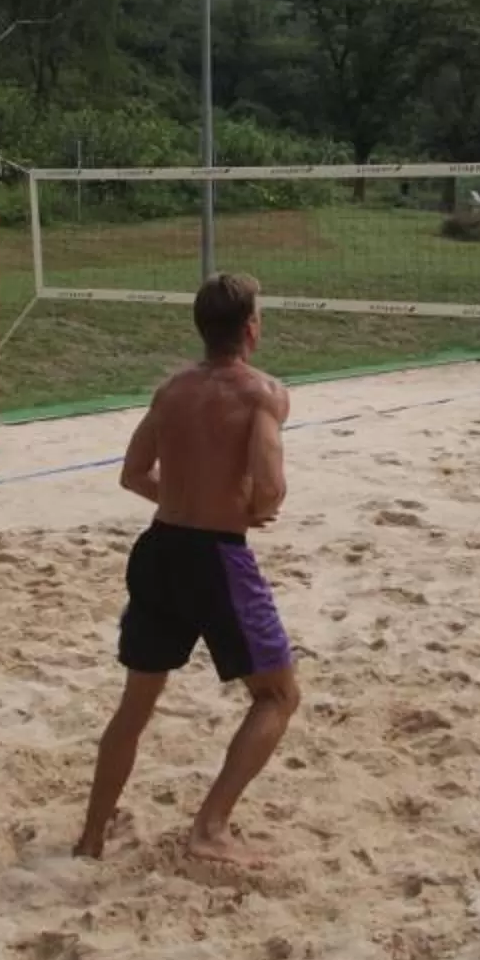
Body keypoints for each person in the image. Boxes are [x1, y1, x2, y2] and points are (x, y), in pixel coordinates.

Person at [74, 273, 299, 868]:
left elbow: (133, 473)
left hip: (158, 550)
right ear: (251, 328)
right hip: (216, 559)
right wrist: (247, 511)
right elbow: (272, 489)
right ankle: (210, 826)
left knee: (135, 707)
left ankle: (91, 837)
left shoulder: (171, 391)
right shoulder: (263, 394)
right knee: (277, 695)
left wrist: (187, 501)